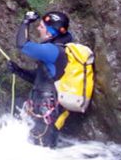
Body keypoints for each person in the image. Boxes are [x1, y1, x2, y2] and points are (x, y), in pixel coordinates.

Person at [8, 10, 74, 148]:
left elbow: (22, 45)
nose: (38, 28)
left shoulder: (52, 50)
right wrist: (18, 71)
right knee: (39, 151)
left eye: (42, 26)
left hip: (46, 113)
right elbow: (42, 79)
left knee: (41, 150)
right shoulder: (57, 50)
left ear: (50, 33)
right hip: (43, 109)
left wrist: (26, 22)